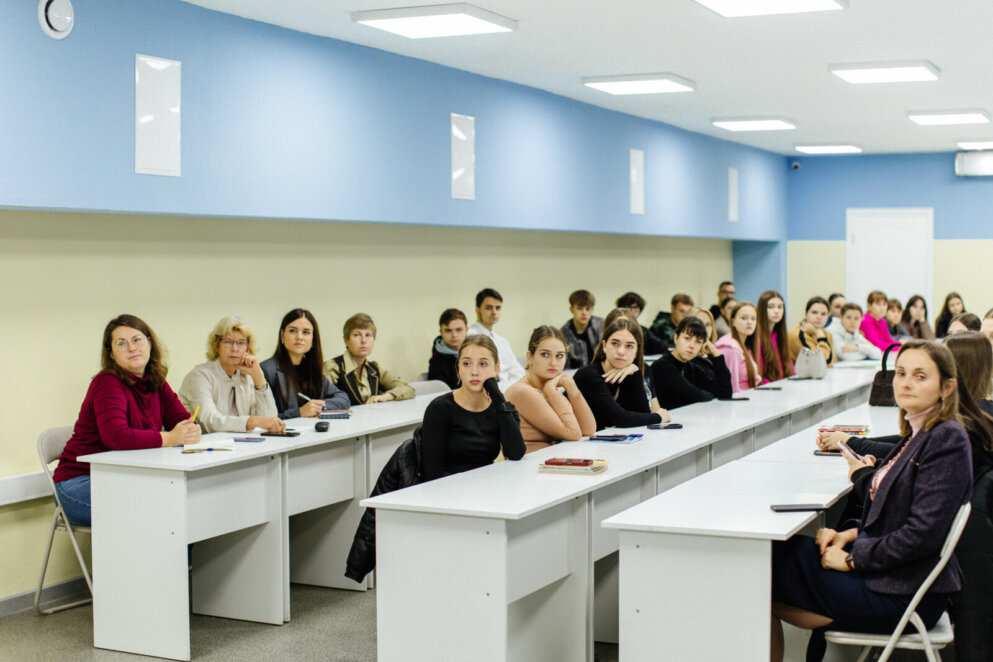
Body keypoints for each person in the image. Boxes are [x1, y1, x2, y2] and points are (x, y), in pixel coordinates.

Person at [772, 340, 974, 662]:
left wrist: (853, 560)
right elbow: (895, 513)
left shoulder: (945, 438)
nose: (906, 382)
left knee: (764, 570)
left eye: (920, 376)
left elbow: (921, 534)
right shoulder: (921, 431)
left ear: (947, 387)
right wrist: (848, 535)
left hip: (904, 592)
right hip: (891, 575)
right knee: (765, 561)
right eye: (901, 373)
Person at [52, 315, 201, 526]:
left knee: (183, 504)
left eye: (137, 339)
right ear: (111, 354)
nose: (132, 348)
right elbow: (116, 437)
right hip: (81, 480)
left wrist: (191, 431)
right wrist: (170, 438)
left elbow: (183, 422)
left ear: (149, 343)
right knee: (156, 512)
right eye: (121, 343)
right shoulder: (107, 382)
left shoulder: (155, 380)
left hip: (125, 477)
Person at [420, 335, 526, 480]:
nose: (474, 371)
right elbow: (433, 474)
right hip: (450, 489)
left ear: (496, 369)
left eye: (483, 364)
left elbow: (516, 453)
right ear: (458, 368)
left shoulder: (501, 407)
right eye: (466, 364)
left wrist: (499, 398)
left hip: (488, 485)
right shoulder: (439, 409)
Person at [178, 315, 284, 434]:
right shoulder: (199, 376)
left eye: (241, 343)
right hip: (200, 443)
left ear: (247, 348)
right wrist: (252, 421)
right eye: (228, 342)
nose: (235, 348)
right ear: (217, 346)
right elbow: (210, 422)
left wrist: (259, 378)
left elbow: (270, 419)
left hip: (237, 443)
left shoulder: (246, 376)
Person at [505, 326, 596, 453]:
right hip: (531, 464)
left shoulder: (548, 388)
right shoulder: (522, 391)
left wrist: (573, 390)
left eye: (559, 356)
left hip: (552, 460)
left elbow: (589, 430)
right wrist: (552, 392)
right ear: (530, 357)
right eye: (545, 354)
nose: (553, 363)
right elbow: (573, 433)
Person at [574, 316, 670, 429]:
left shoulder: (629, 374)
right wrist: (658, 417)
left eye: (629, 346)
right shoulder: (589, 374)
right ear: (604, 346)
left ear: (636, 352)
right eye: (615, 344)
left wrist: (635, 373)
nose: (621, 351)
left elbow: (642, 414)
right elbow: (620, 418)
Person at [261, 309, 350, 418]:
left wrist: (318, 406)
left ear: (313, 338)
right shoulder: (266, 370)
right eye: (293, 331)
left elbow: (343, 399)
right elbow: (262, 418)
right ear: (282, 335)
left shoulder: (311, 369)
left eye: (306, 332)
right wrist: (299, 413)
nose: (299, 337)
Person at [326, 313, 415, 405]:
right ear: (346, 340)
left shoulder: (374, 368)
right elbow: (321, 401)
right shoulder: (332, 367)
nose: (364, 341)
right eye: (357, 335)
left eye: (368, 335)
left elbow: (408, 389)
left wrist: (386, 396)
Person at [651, 317, 732, 409]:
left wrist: (716, 354)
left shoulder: (690, 366)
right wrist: (712, 395)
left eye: (698, 341)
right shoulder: (663, 367)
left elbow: (724, 394)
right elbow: (699, 397)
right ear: (676, 338)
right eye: (687, 338)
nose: (692, 346)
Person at [466, 288, 527, 383]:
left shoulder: (502, 341)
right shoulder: (470, 337)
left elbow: (516, 369)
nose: (494, 312)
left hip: (512, 386)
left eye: (497, 308)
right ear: (477, 310)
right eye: (488, 308)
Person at [715, 301, 762, 392]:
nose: (749, 322)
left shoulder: (747, 344)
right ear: (733, 322)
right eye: (744, 318)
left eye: (753, 319)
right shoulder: (731, 348)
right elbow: (732, 389)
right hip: (740, 398)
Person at [755, 290, 794, 382]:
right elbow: (758, 375)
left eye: (780, 307)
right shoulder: (757, 338)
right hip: (768, 387)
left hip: (783, 385)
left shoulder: (779, 335)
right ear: (762, 309)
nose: (776, 311)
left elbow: (790, 368)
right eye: (770, 307)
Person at [560, 289, 603, 369]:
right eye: (579, 308)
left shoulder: (601, 326)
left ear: (592, 310)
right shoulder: (564, 333)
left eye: (588, 309)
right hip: (575, 373)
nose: (584, 313)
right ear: (572, 309)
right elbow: (564, 364)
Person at [788, 296, 836, 367]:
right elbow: (820, 362)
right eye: (814, 312)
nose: (819, 317)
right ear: (806, 314)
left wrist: (818, 332)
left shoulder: (826, 333)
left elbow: (832, 360)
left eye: (823, 314)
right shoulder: (796, 334)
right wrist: (819, 335)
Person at [428, 308, 467, 389]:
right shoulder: (437, 362)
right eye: (448, 331)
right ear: (441, 332)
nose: (454, 335)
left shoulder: (477, 352)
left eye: (458, 330)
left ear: (466, 330)